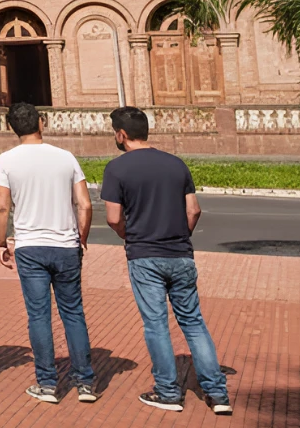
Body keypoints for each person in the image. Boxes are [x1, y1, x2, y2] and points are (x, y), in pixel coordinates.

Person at [103, 106, 231, 415]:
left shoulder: (116, 169)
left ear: (121, 135)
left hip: (144, 256)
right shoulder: (176, 165)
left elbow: (113, 217)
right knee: (193, 321)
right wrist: (179, 236)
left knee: (156, 324)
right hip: (180, 254)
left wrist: (128, 235)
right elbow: (194, 210)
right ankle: (218, 393)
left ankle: (168, 392)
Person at [0, 101, 96, 404]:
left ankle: (48, 384)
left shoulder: (7, 160)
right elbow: (85, 204)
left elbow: (1, 207)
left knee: (39, 316)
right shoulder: (65, 157)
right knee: (73, 313)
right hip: (65, 245)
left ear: (13, 128)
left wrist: (1, 242)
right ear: (40, 123)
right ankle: (85, 382)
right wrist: (82, 238)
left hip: (30, 246)